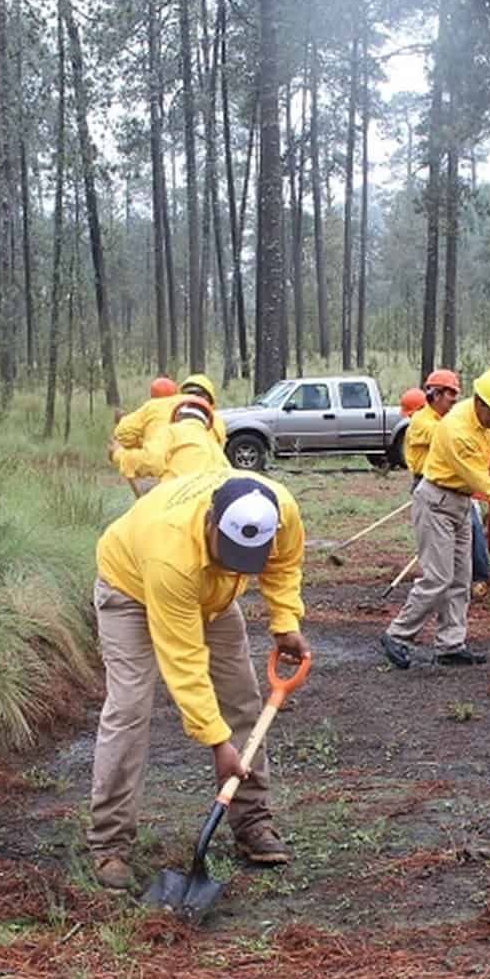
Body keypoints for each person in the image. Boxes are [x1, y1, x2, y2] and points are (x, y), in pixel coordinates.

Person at [86, 469, 308, 893]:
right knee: (130, 707)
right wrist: (217, 743)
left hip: (213, 596)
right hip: (131, 587)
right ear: (210, 521)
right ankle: (109, 844)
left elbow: (283, 564)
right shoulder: (170, 553)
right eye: (228, 553)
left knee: (242, 699)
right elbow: (184, 662)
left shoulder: (282, 511)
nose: (234, 563)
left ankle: (253, 821)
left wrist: (284, 621)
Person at [382, 369, 490, 668]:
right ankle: (397, 635)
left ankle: (450, 644)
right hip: (436, 502)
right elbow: (482, 482)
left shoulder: (485, 419)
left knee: (460, 578)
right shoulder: (458, 430)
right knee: (438, 578)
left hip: (459, 503)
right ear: (480, 403)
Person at [403, 370, 490, 595]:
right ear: (436, 394)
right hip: (431, 488)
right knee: (451, 538)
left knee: (472, 528)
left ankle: (474, 579)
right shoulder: (422, 422)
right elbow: (452, 437)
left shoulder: (444, 419)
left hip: (453, 486)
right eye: (451, 394)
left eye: (456, 394)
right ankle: (443, 584)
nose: (454, 400)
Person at [110, 372, 226, 490]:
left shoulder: (168, 428)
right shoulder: (217, 423)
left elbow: (150, 459)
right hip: (215, 486)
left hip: (176, 487)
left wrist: (121, 453)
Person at [114, 395, 228, 481]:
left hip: (180, 494)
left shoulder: (171, 430)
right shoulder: (214, 446)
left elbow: (151, 461)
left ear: (177, 417)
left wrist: (118, 454)